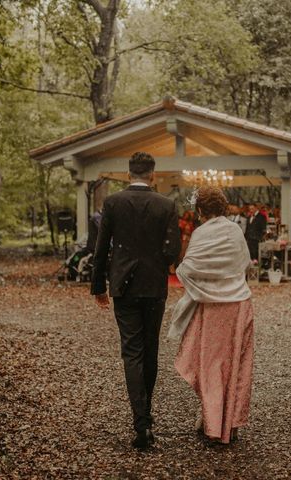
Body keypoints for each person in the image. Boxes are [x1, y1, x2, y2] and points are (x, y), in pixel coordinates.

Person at [91, 152, 181, 449]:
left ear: (130, 174)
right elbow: (172, 252)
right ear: (152, 175)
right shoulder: (166, 205)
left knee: (132, 352)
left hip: (123, 286)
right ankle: (146, 416)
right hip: (154, 285)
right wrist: (159, 259)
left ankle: (141, 423)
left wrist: (98, 287)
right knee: (151, 350)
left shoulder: (113, 203)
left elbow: (101, 248)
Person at [168, 186, 254, 444]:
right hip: (239, 305)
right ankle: (231, 425)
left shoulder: (201, 233)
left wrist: (195, 281)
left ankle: (213, 424)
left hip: (213, 308)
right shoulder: (236, 230)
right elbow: (244, 264)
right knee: (237, 367)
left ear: (201, 210)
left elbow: (187, 269)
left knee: (211, 365)